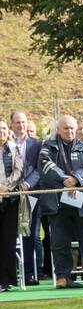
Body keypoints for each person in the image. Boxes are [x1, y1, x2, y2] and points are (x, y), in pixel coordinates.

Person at [38, 115, 83, 288]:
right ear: (58, 130)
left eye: (72, 128)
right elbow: (46, 166)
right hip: (57, 203)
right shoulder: (47, 148)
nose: (70, 131)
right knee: (59, 241)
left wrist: (77, 179)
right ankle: (62, 277)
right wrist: (65, 180)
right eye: (66, 128)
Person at [10, 112, 44, 285]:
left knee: (30, 234)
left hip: (31, 194)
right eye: (17, 122)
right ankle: (11, 275)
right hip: (10, 195)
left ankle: (29, 273)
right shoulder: (6, 143)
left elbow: (39, 168)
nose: (21, 126)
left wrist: (28, 185)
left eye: (23, 122)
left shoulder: (36, 144)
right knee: (9, 235)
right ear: (12, 124)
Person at [0, 119, 22, 291]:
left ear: (8, 131)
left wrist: (5, 187)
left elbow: (18, 171)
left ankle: (6, 281)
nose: (1, 131)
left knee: (8, 241)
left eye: (4, 129)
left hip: (10, 200)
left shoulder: (14, 149)